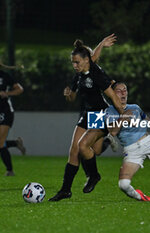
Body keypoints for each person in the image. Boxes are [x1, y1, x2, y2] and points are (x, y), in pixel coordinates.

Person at [48, 35, 124, 201]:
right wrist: (68, 94)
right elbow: (72, 97)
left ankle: (93, 175)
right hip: (87, 113)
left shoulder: (97, 74)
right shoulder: (79, 74)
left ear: (87, 59)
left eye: (77, 62)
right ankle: (65, 190)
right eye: (72, 62)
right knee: (80, 151)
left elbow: (112, 96)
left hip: (101, 114)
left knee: (83, 147)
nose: (74, 65)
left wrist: (123, 114)